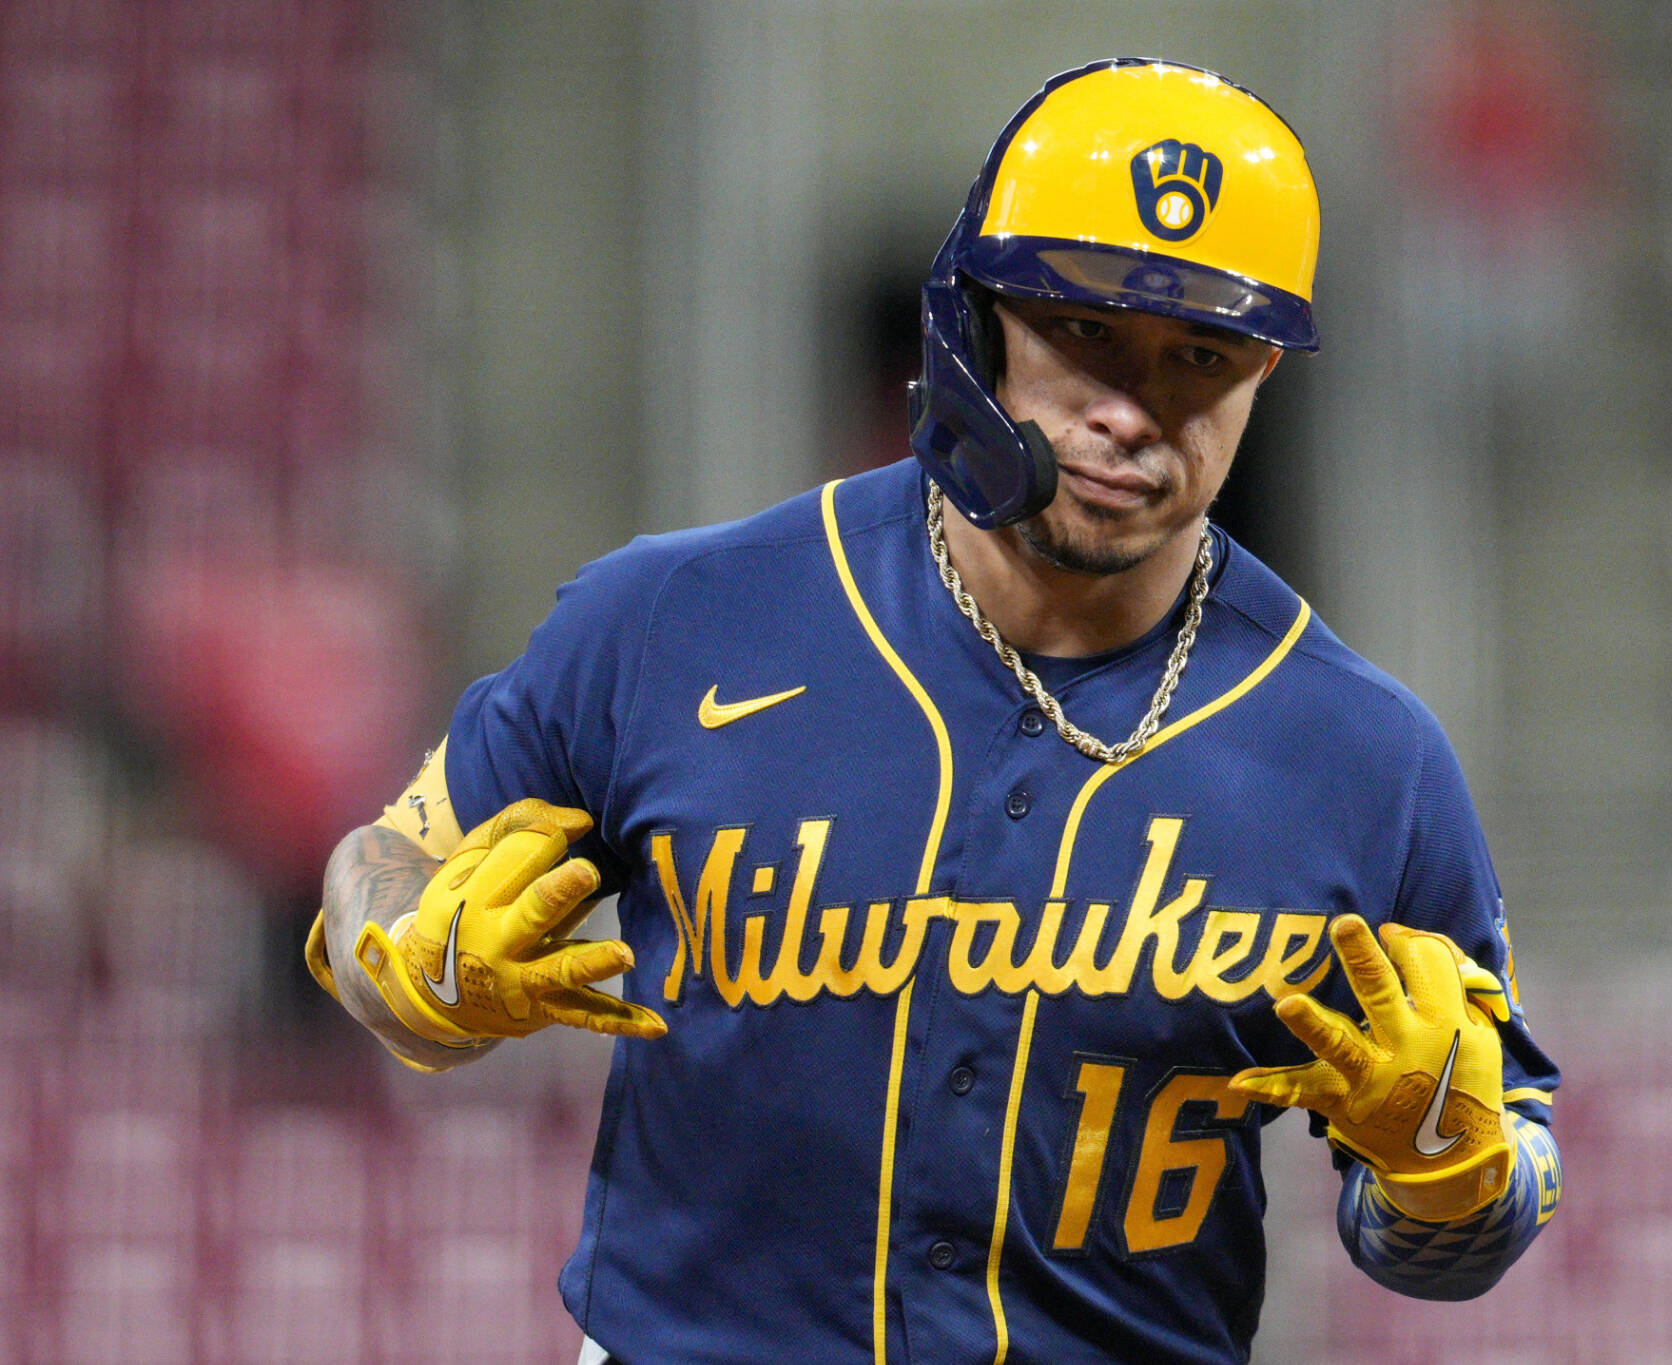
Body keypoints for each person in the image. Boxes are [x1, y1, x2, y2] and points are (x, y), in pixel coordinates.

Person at [305, 58, 1562, 1365]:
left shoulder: (1368, 756)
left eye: (1200, 356)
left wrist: (1450, 1177)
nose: (1132, 411)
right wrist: (408, 963)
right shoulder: (674, 618)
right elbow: (379, 880)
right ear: (974, 323)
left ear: (1260, 377)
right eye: (1084, 333)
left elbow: (1483, 1202)